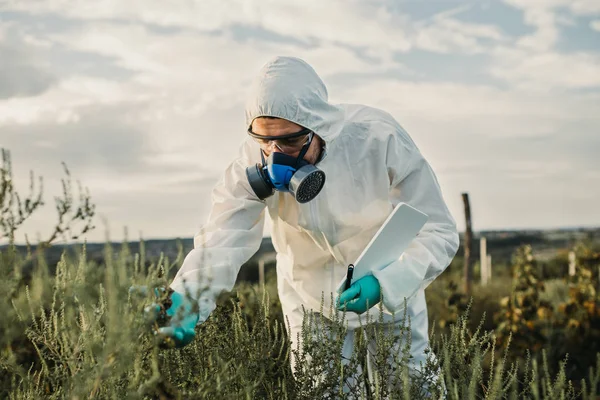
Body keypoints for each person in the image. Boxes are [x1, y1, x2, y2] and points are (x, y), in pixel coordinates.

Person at [160, 56, 459, 395]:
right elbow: (222, 236)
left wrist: (388, 283)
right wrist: (188, 297)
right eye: (264, 142)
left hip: (390, 278)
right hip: (307, 292)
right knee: (322, 390)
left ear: (319, 126)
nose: (275, 157)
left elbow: (439, 232)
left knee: (412, 386)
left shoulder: (378, 137)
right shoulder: (250, 161)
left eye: (288, 142)